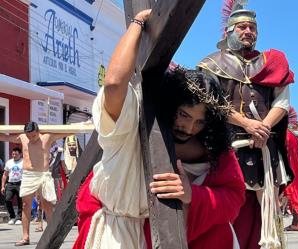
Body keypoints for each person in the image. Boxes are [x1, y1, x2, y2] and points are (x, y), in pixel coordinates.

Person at [73, 9, 245, 249]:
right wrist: (137, 23)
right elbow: (113, 84)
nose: (189, 127)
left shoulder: (214, 149)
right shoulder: (131, 125)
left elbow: (234, 197)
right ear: (170, 104)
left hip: (192, 236)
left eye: (200, 122)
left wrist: (192, 195)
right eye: (183, 115)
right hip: (118, 234)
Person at [197, 2, 294, 248]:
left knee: (267, 217)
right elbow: (210, 102)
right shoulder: (212, 64)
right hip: (227, 147)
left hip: (265, 149)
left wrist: (263, 127)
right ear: (229, 31)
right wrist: (245, 124)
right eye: (242, 27)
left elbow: (282, 102)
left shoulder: (272, 63)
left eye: (252, 27)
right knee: (230, 211)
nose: (248, 31)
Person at [0, 122, 72, 246]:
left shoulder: (48, 137)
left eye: (33, 136)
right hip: (28, 174)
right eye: (29, 136)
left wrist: (83, 126)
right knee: (25, 204)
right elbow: (5, 137)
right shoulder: (23, 137)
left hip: (43, 174)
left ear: (38, 131)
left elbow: (69, 132)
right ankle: (25, 237)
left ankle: (52, 235)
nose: (31, 138)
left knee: (47, 204)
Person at [1, 147, 23, 225]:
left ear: (20, 154)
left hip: (20, 183)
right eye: (13, 154)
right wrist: (2, 186)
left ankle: (19, 218)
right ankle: (12, 217)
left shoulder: (23, 162)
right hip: (10, 183)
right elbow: (5, 175)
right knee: (7, 199)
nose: (14, 155)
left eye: (16, 154)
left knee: (20, 201)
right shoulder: (9, 162)